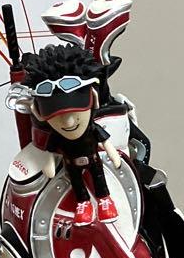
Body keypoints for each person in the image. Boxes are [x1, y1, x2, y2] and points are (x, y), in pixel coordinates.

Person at [20, 43, 122, 226]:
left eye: (75, 112)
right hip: (70, 164)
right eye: (56, 115)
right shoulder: (57, 137)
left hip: (92, 159)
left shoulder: (91, 129)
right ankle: (83, 203)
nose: (67, 123)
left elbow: (105, 142)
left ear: (93, 98)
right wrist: (49, 165)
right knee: (77, 183)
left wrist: (114, 155)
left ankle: (104, 199)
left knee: (98, 177)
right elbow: (50, 152)